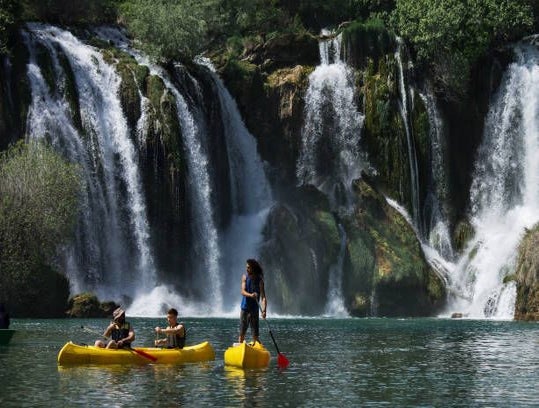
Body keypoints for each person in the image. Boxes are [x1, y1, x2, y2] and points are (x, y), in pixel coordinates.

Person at [238, 258, 267, 344]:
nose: (247, 269)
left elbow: (263, 298)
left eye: (248, 267)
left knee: (255, 336)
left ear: (253, 268)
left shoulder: (260, 281)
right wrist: (251, 295)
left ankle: (258, 350)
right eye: (246, 267)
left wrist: (264, 310)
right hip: (245, 309)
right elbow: (242, 291)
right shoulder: (244, 277)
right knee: (242, 334)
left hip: (254, 310)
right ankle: (240, 350)